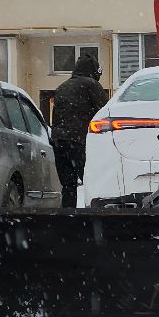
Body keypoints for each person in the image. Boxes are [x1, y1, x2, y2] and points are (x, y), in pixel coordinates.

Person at [48, 54, 107, 207]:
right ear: (94, 70)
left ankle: (69, 217)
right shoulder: (91, 85)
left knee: (68, 186)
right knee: (92, 183)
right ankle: (94, 216)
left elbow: (55, 117)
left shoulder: (62, 87)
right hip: (80, 141)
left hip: (60, 142)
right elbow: (104, 112)